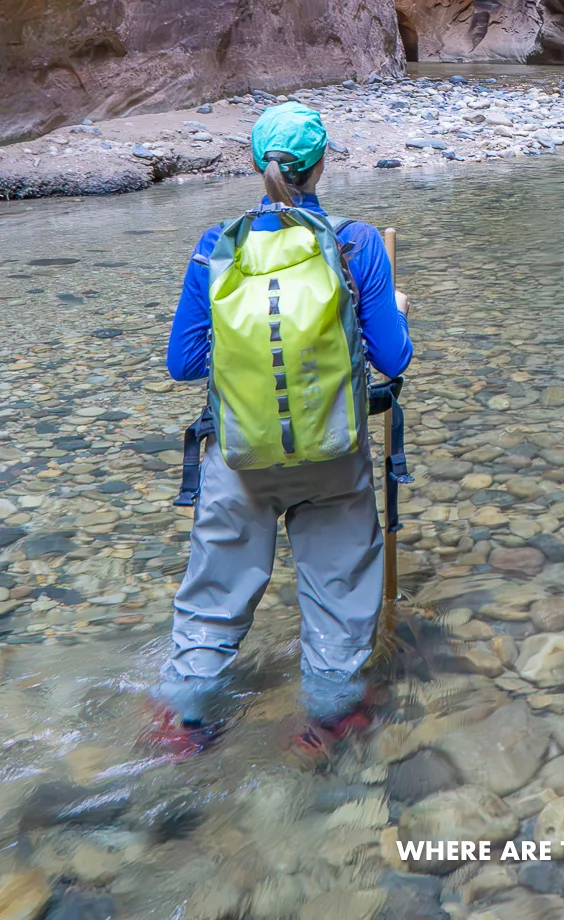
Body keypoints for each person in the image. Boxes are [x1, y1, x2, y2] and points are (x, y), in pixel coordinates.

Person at [146, 100, 412, 757]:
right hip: (333, 458)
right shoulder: (357, 243)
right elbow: (395, 359)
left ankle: (182, 727)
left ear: (255, 162)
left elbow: (182, 364)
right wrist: (389, 309)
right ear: (323, 163)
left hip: (240, 457)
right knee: (341, 594)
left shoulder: (217, 245)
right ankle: (328, 721)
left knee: (213, 597)